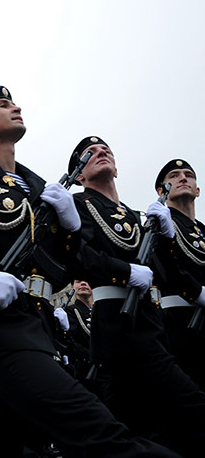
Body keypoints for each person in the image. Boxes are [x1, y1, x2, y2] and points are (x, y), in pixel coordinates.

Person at [0, 86, 179, 457]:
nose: (16, 107)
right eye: (3, 105)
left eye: (15, 103)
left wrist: (71, 230)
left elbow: (76, 263)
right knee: (101, 434)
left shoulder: (40, 187)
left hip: (38, 326)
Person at [70, 137, 205, 457]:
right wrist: (123, 272)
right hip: (117, 320)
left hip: (149, 320)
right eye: (90, 154)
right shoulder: (77, 206)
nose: (101, 153)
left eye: (107, 151)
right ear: (79, 175)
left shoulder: (135, 216)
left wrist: (167, 240)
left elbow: (160, 269)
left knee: (142, 422)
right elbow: (75, 256)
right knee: (188, 406)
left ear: (116, 168)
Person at [151, 159, 205, 390]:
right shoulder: (160, 222)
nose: (183, 178)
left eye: (188, 175)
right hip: (180, 322)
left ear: (197, 190)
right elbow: (162, 266)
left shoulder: (202, 230)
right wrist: (197, 292)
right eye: (173, 176)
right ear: (162, 191)